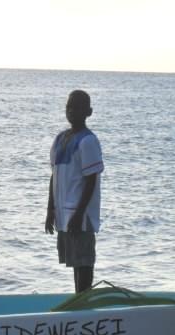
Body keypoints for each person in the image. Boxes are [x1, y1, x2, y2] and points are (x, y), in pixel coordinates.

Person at [46, 89, 104, 293]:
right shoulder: (60, 139)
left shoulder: (88, 141)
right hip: (64, 213)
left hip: (81, 214)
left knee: (84, 261)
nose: (72, 112)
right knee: (74, 260)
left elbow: (90, 180)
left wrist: (79, 213)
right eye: (69, 107)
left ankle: (84, 300)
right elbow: (54, 176)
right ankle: (79, 298)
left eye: (78, 108)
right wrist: (50, 210)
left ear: (88, 112)